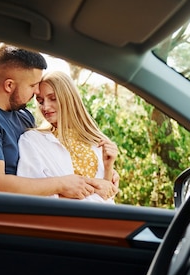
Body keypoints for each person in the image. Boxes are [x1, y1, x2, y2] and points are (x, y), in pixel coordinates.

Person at [0, 43, 111, 200]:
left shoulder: (22, 115)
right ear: (9, 85)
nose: (37, 91)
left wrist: (102, 174)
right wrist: (61, 184)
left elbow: (46, 159)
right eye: (33, 85)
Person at [17, 70, 119, 203]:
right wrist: (94, 188)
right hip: (63, 222)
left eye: (53, 98)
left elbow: (106, 196)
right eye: (40, 101)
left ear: (69, 98)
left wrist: (108, 167)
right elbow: (30, 196)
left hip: (101, 221)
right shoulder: (32, 140)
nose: (45, 107)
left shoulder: (95, 140)